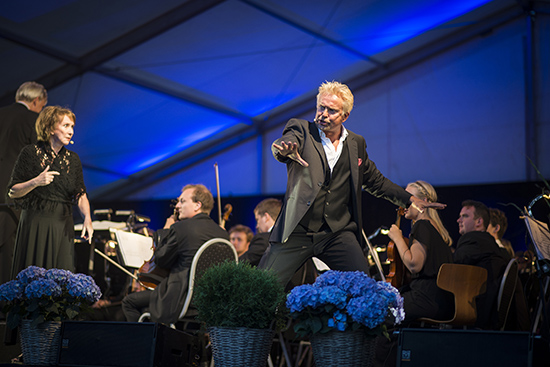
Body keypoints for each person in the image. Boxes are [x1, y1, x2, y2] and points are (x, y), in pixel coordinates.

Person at [260, 81, 444, 286]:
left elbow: (376, 181)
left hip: (337, 232)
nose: (323, 114)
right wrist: (283, 150)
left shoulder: (356, 144)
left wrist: (410, 199)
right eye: (321, 107)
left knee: (363, 287)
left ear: (345, 116)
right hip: (298, 230)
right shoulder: (302, 130)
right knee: (263, 287)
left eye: (331, 110)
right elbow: (283, 143)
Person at [121, 184, 229, 324]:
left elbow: (161, 260)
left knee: (129, 302)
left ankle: (143, 344)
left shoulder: (180, 228)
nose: (177, 206)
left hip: (180, 299)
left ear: (197, 205)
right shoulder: (223, 234)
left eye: (182, 201)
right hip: (211, 303)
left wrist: (166, 229)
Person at [8, 106, 93, 278]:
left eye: (72, 127)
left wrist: (88, 218)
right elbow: (13, 191)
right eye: (66, 126)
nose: (71, 132)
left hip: (63, 224)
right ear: (50, 128)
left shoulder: (73, 159)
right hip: (36, 223)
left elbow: (80, 193)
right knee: (35, 277)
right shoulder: (31, 153)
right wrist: (36, 181)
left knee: (62, 278)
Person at [0, 81, 47, 286]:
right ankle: (6, 307)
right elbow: (38, 159)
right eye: (42, 106)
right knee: (10, 252)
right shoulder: (33, 120)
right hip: (15, 194)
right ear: (36, 101)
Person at [387, 180, 454, 322]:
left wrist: (397, 238)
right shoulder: (436, 230)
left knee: (379, 312)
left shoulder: (422, 225)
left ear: (423, 201)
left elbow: (414, 265)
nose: (403, 202)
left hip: (425, 299)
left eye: (408, 198)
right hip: (441, 301)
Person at [453, 200, 508, 329]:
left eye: (464, 216)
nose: (458, 220)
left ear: (479, 222)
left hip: (474, 313)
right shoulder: (490, 244)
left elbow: (451, 268)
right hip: (489, 314)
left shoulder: (473, 241)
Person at [240, 198, 282, 267]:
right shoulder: (290, 237)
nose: (257, 226)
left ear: (266, 217)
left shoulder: (263, 239)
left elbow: (243, 262)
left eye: (257, 220)